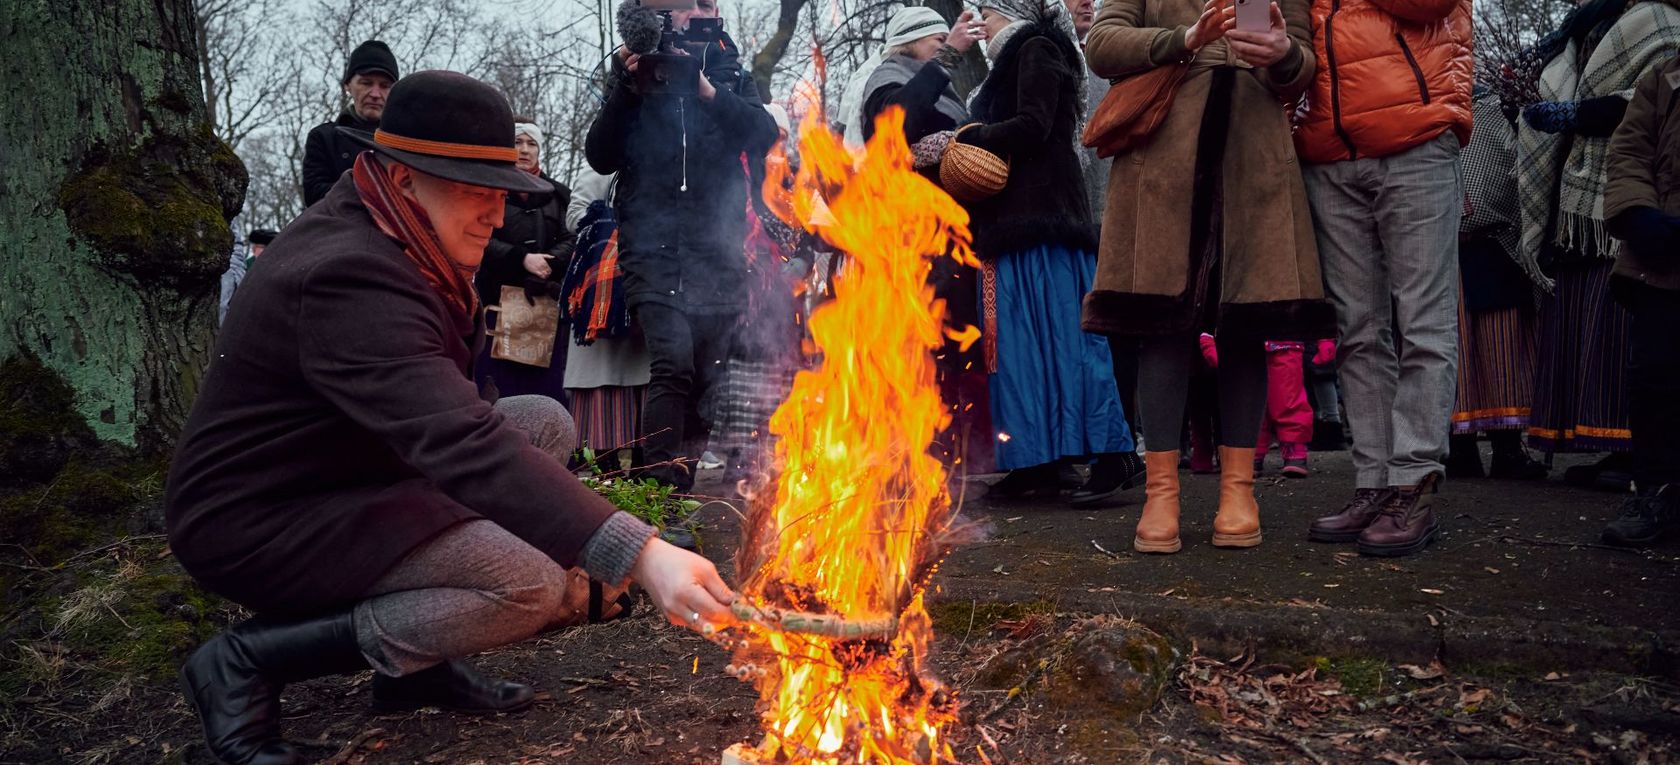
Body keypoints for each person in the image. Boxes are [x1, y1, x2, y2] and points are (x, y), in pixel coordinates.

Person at [166, 72, 734, 765]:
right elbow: (459, 439)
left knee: (543, 420)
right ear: (405, 180)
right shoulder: (347, 272)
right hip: (261, 515)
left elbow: (459, 411)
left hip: (347, 467)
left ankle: (413, 667)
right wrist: (638, 552)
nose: (495, 216)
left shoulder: (395, 230)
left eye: (501, 193)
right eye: (475, 191)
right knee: (526, 583)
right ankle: (247, 660)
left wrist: (579, 527)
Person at [1083, 0, 1331, 551]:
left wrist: (1283, 53)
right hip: (1162, 160)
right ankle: (1161, 496)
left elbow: (1302, 68)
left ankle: (1239, 494)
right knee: (1161, 329)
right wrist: (1184, 38)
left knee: (1247, 325)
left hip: (1254, 159)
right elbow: (1101, 44)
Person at [1295, 0, 1472, 557]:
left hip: (1416, 137)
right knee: (1357, 331)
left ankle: (1413, 483)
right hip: (1329, 151)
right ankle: (1374, 482)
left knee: (1424, 323)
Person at [585, 0, 778, 493]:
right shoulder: (634, 69)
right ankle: (659, 494)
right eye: (671, 8)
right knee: (673, 362)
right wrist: (627, 86)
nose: (686, 16)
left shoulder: (729, 69)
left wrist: (708, 90)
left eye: (696, 5)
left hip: (718, 248)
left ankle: (678, 487)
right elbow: (601, 156)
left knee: (708, 374)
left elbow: (763, 134)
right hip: (652, 246)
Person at [955, 0, 1137, 504]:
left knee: (1068, 344)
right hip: (1014, 228)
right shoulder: (1014, 58)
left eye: (987, 11)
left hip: (1043, 224)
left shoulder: (1037, 47)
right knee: (1021, 352)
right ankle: (1037, 461)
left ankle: (1114, 455)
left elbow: (1034, 124)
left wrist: (970, 137)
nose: (980, 22)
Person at [1511, 0, 1680, 491]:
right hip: (1578, 189)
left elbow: (1650, 103)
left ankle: (1631, 451)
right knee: (1587, 319)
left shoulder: (1664, 17)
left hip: (1626, 196)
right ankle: (1609, 446)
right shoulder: (1587, 21)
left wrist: (1578, 114)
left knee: (1621, 328)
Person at [838, 6, 996, 475]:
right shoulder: (886, 78)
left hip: (950, 233)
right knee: (925, 343)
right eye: (936, 40)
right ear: (910, 41)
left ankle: (961, 454)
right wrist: (948, 56)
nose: (943, 47)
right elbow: (894, 127)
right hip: (911, 236)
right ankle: (921, 455)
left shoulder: (939, 85)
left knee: (957, 339)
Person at [1445, 93, 1548, 481]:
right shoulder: (1427, 107)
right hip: (1442, 250)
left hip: (1497, 243)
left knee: (1502, 346)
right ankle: (1459, 449)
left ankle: (1508, 449)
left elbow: (1519, 173)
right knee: (1452, 348)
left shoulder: (1499, 108)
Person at [1599, 52, 1680, 545]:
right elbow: (1628, 150)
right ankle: (1655, 492)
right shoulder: (1665, 76)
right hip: (1662, 259)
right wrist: (1638, 214)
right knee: (1654, 378)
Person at [474, 117, 576, 402]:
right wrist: (521, 258)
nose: (524, 149)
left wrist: (549, 264)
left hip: (544, 305)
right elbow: (480, 235)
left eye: (532, 143)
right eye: (518, 142)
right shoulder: (488, 189)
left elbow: (573, 236)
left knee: (543, 393)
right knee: (495, 389)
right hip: (495, 305)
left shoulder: (559, 195)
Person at [563, 166, 655, 470]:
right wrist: (616, 224)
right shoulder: (600, 170)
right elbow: (575, 216)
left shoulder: (656, 167)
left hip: (644, 279)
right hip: (602, 294)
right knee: (601, 385)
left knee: (645, 380)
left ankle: (642, 469)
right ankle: (606, 470)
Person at [302, 40, 398, 207]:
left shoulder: (406, 141)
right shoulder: (323, 138)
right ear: (348, 85)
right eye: (366, 83)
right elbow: (315, 196)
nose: (375, 94)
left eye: (385, 86)